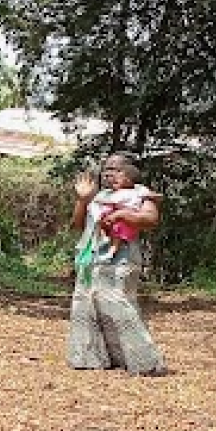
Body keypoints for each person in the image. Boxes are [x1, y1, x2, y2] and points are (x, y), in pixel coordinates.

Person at [68, 154, 167, 376]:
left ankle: (144, 361)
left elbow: (150, 219)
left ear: (132, 172)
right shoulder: (100, 196)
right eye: (106, 169)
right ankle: (89, 357)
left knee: (117, 302)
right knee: (86, 303)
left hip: (121, 256)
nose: (109, 173)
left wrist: (123, 214)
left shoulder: (141, 194)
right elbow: (77, 224)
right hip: (90, 257)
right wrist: (82, 200)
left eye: (116, 169)